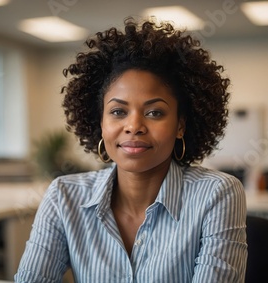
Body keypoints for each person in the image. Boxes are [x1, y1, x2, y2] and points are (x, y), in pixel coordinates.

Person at [15, 18, 247, 282]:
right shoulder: (63, 197)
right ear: (100, 122)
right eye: (118, 112)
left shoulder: (216, 194)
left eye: (154, 112)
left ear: (180, 125)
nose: (134, 125)